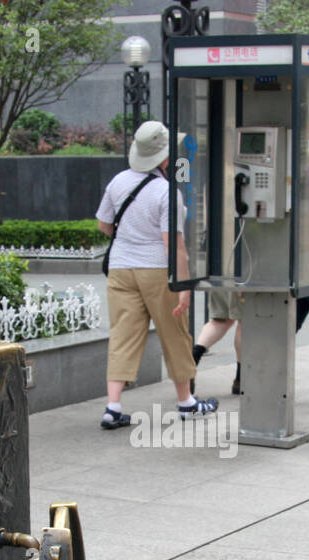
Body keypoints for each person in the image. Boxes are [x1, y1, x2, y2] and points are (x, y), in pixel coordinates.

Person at [96, 120, 218, 429]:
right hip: (157, 271)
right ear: (164, 158)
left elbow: (104, 226)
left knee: (123, 335)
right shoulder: (166, 192)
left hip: (121, 268)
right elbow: (173, 245)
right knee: (174, 332)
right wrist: (184, 286)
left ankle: (112, 407)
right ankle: (186, 402)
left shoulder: (118, 181)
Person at [192, 290, 242, 395]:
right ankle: (241, 378)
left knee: (220, 320)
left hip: (221, 276)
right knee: (247, 320)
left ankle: (192, 361)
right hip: (244, 278)